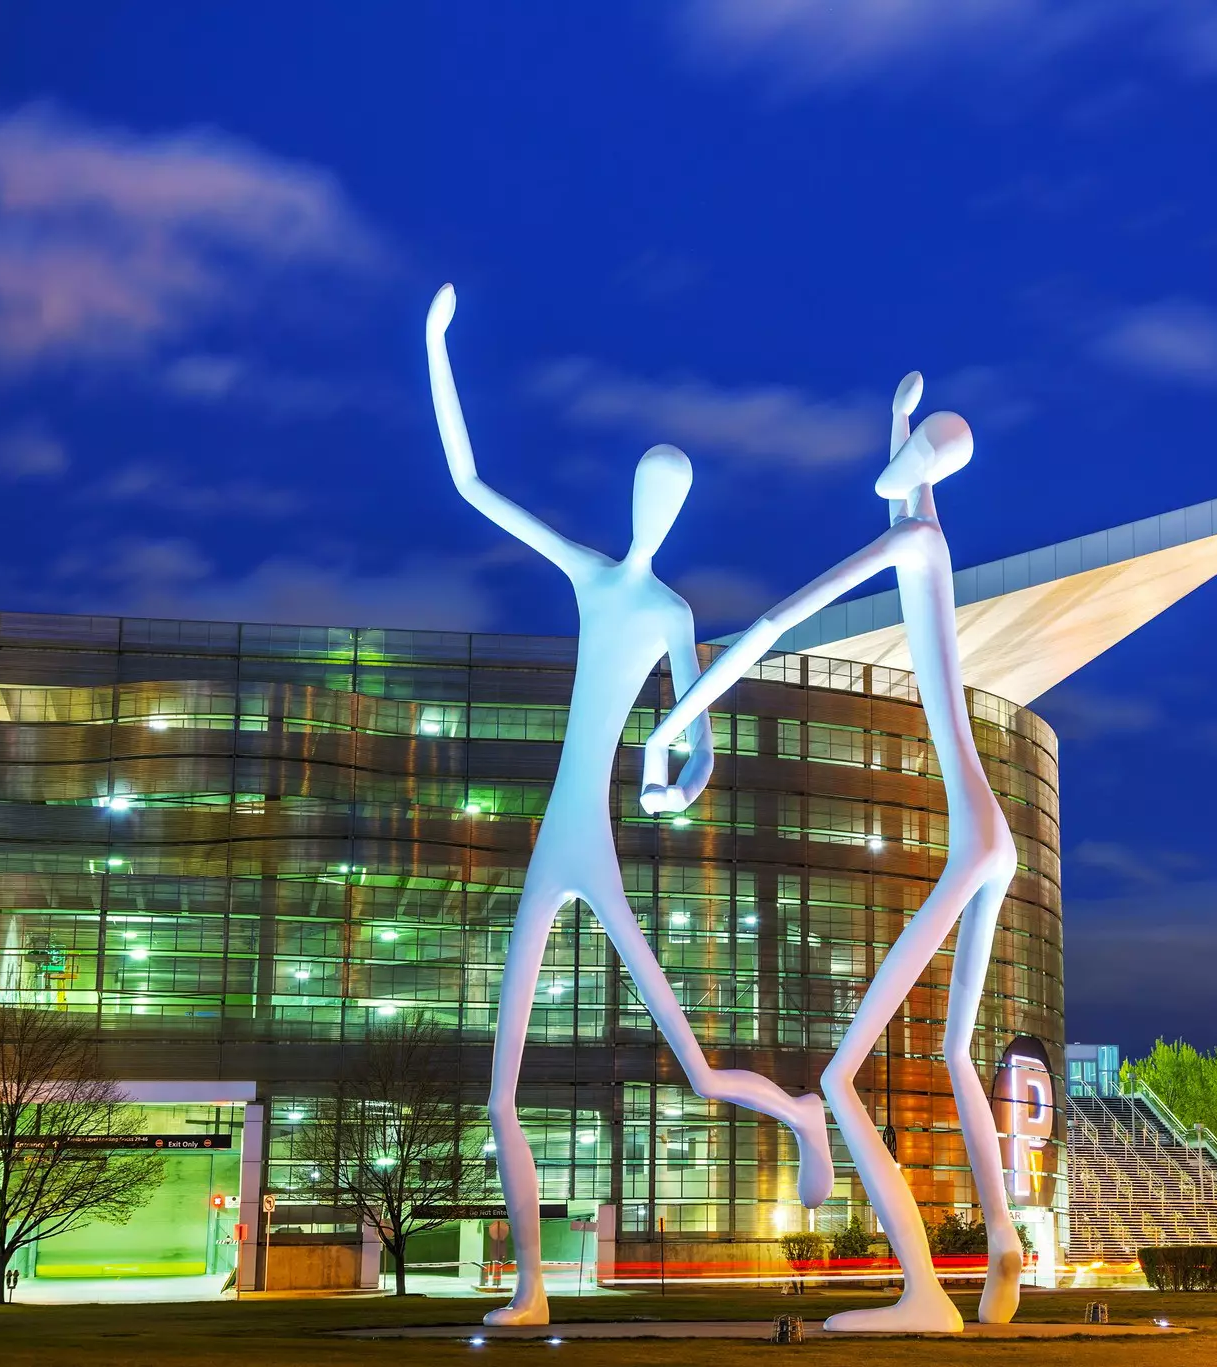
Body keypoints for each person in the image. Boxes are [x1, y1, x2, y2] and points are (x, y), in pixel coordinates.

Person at [427, 285, 832, 1327]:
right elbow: (470, 481)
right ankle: (529, 1290)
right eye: (650, 489)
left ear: (679, 511)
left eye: (672, 496)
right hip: (554, 842)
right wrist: (436, 345)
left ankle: (798, 1111)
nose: (656, 508)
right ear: (632, 496)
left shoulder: (669, 611)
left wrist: (674, 782)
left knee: (693, 1064)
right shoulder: (592, 575)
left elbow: (698, 736)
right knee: (501, 1088)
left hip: (596, 846)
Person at [642, 372, 1021, 1332]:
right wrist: (898, 421)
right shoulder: (931, 528)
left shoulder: (914, 540)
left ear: (923, 470)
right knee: (953, 1050)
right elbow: (902, 482)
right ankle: (1005, 1244)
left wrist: (675, 724)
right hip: (997, 835)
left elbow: (778, 621)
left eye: (912, 455)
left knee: (844, 1076)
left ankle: (924, 1293)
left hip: (974, 840)